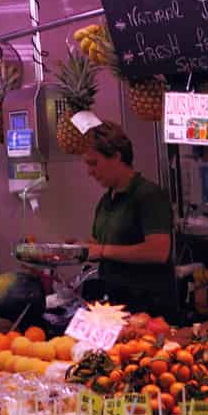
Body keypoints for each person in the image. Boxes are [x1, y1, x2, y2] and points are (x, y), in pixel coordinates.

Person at [81, 122, 176, 316]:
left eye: (94, 163)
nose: (89, 172)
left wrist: (103, 250)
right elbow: (99, 245)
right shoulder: (106, 200)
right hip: (114, 303)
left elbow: (158, 251)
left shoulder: (148, 195)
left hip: (148, 308)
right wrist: (80, 250)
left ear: (116, 157)